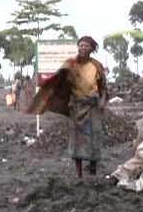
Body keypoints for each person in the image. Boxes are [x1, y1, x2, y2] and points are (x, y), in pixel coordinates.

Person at [26, 35, 107, 182]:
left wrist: (102, 101)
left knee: (93, 140)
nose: (83, 48)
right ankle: (79, 175)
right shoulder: (70, 64)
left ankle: (93, 170)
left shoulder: (97, 66)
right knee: (77, 142)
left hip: (93, 107)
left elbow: (104, 87)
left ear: (92, 49)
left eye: (86, 46)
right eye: (81, 45)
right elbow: (59, 80)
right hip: (77, 107)